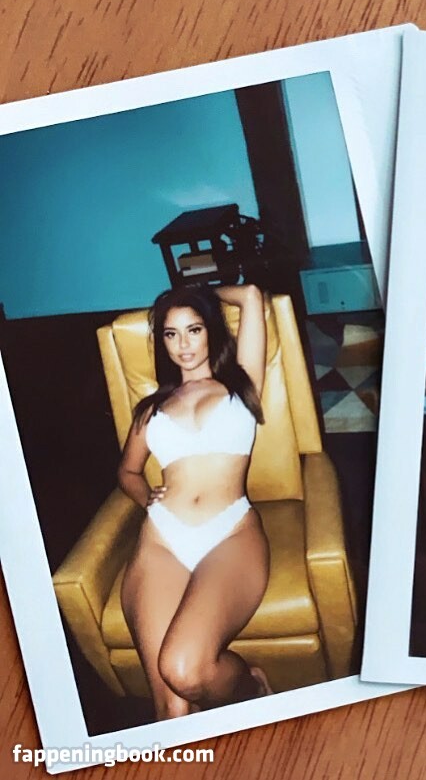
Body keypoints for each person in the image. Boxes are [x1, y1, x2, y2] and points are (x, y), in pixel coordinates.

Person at [118, 283, 272, 719]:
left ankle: (250, 685)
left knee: (184, 671)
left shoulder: (241, 384)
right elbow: (127, 472)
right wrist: (146, 496)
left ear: (211, 332)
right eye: (171, 333)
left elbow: (251, 295)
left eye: (194, 329)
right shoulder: (151, 409)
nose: (183, 344)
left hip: (231, 533)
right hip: (163, 540)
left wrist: (197, 292)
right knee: (173, 711)